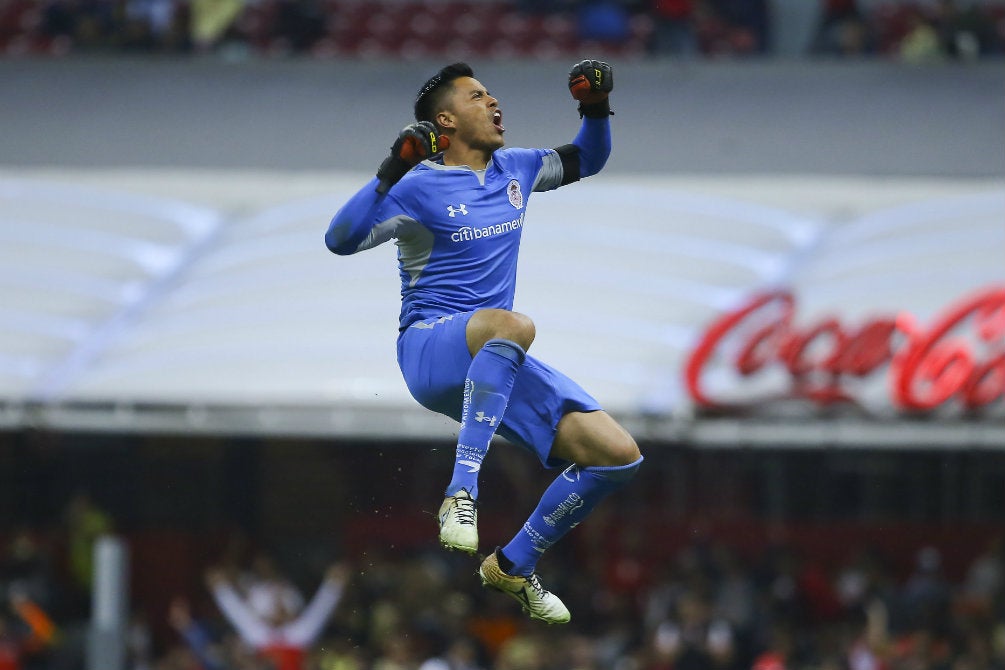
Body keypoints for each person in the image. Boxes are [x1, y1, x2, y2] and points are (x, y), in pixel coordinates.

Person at [325, 60, 643, 624]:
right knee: (513, 323)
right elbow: (339, 240)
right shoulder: (418, 187)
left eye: (492, 93)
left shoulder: (516, 169)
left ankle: (514, 565)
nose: (494, 103)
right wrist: (389, 172)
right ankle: (461, 492)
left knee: (618, 457)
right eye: (478, 96)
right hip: (430, 349)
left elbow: (588, 157)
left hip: (496, 357)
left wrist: (595, 106)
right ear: (445, 119)